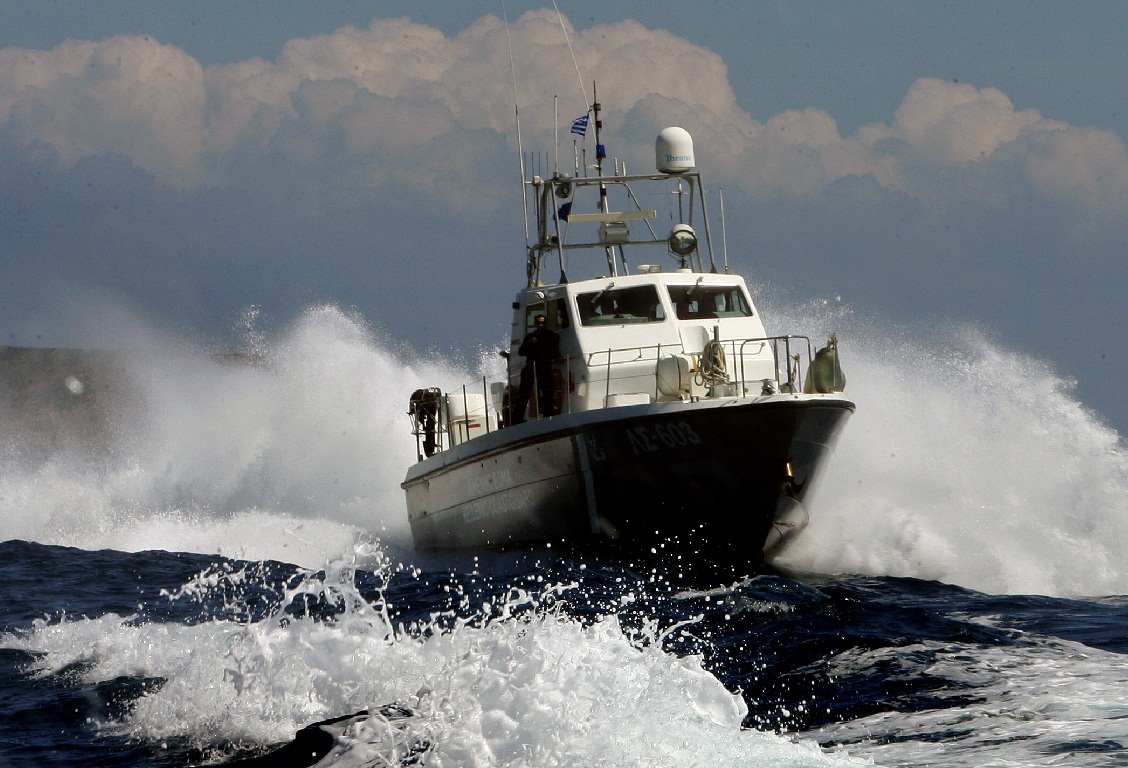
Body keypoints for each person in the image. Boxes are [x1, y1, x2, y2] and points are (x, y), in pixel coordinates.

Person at [511, 314, 560, 423]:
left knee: (547, 392)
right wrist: (528, 344)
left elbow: (555, 352)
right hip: (531, 367)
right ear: (535, 324)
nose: (540, 325)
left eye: (542, 323)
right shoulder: (530, 337)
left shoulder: (552, 336)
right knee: (523, 394)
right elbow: (521, 352)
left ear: (546, 323)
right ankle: (517, 419)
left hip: (544, 367)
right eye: (538, 323)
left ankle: (548, 415)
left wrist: (556, 358)